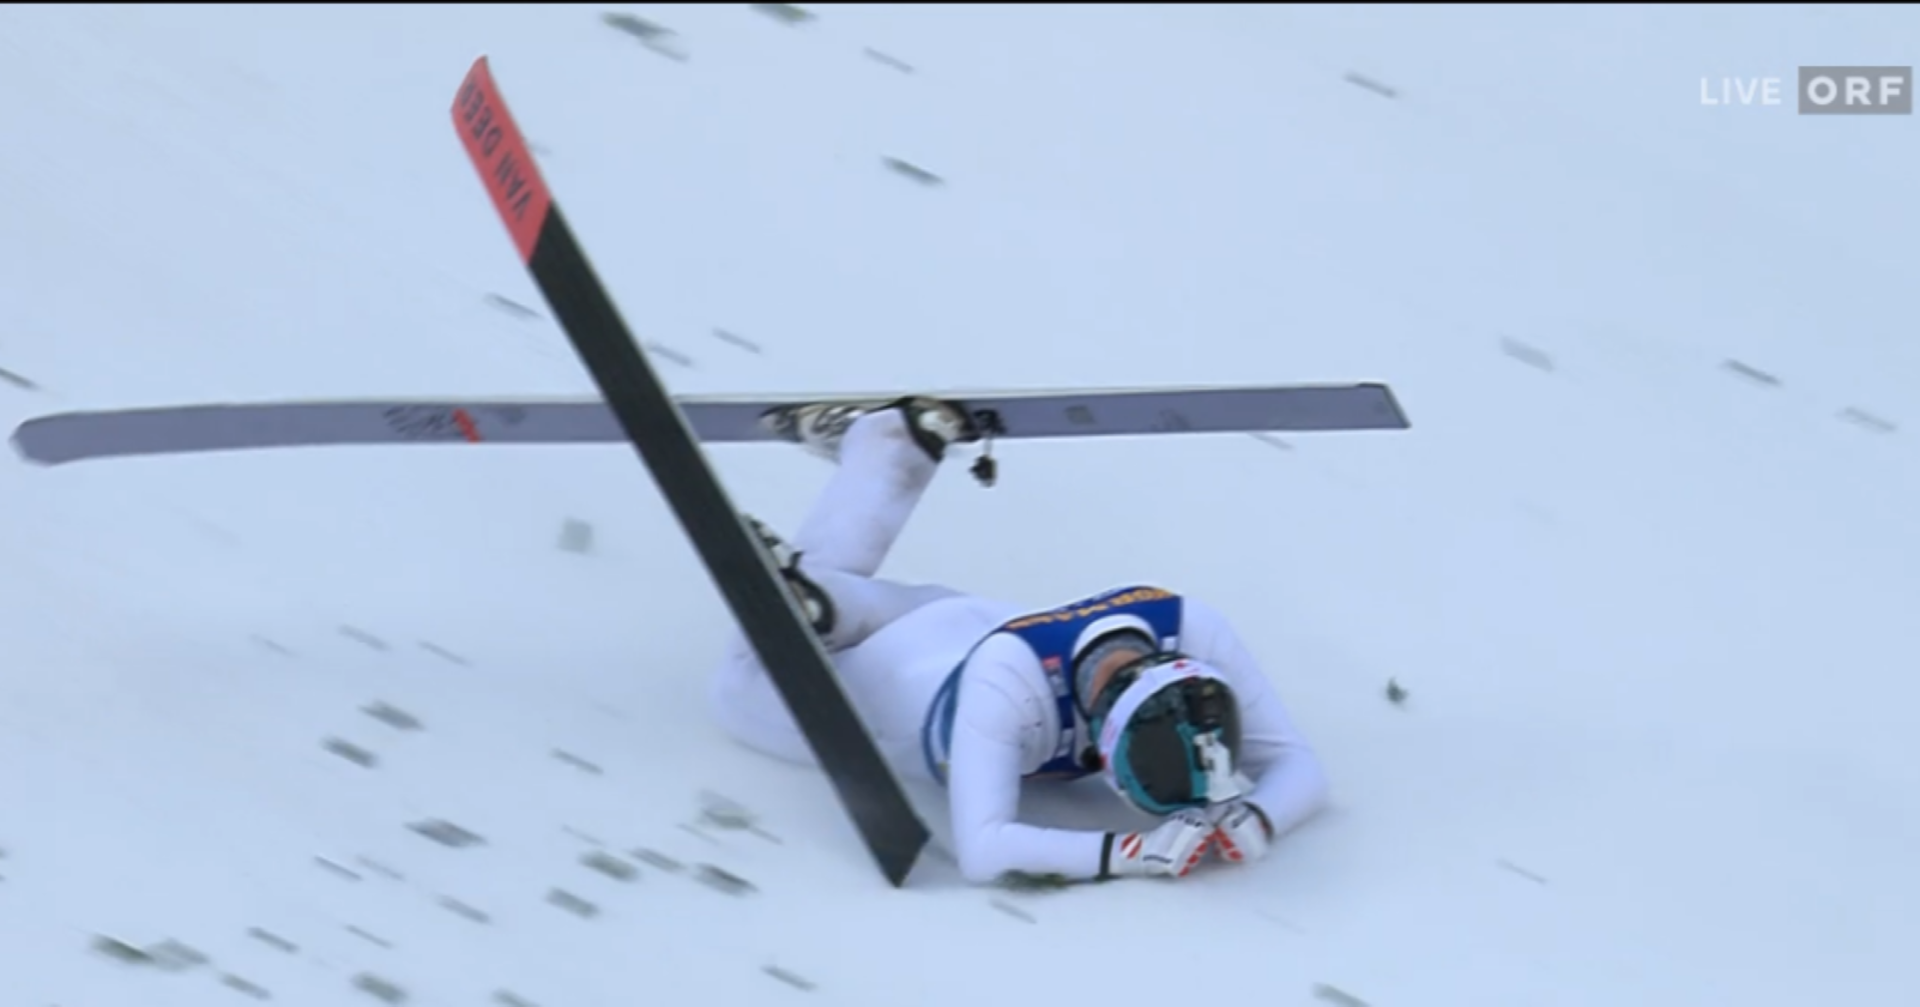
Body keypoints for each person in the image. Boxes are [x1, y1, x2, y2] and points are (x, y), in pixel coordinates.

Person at [707, 396, 1329, 886]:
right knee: (740, 691)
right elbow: (986, 848)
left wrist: (1258, 814)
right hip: (923, 694)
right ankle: (814, 599)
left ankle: (883, 462)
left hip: (962, 622)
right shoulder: (1013, 689)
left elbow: (1300, 771)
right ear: (1105, 743)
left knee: (848, 604)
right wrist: (1129, 851)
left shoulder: (1190, 624)